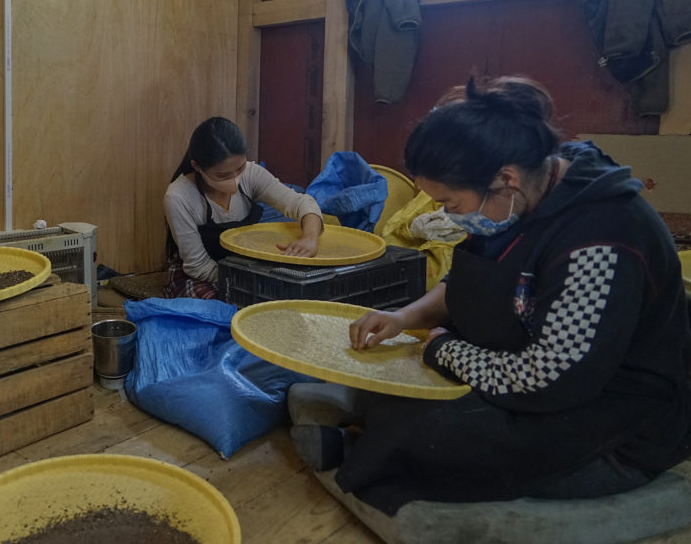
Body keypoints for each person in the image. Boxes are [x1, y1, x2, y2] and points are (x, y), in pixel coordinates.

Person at [288, 76, 691, 514]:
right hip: (521, 358)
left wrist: (444, 350)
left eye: (451, 204)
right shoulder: (522, 193)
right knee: (394, 377)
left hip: (611, 413)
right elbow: (469, 283)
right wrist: (404, 319)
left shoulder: (603, 239)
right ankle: (376, 433)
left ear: (505, 179)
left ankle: (363, 447)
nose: (447, 216)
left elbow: (546, 381)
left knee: (435, 431)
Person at [163, 116, 324, 300]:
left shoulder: (251, 174)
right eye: (222, 176)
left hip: (247, 265)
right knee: (227, 308)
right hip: (206, 273)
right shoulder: (178, 196)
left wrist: (310, 237)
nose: (234, 182)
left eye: (239, 169)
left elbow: (301, 203)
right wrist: (245, 283)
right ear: (197, 167)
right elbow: (198, 266)